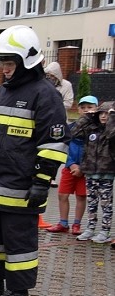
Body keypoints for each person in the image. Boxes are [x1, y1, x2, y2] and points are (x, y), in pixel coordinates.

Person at [0, 25, 69, 296]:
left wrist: (41, 181)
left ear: (26, 61)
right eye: (2, 63)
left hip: (22, 184)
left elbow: (54, 143)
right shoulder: (2, 91)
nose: (4, 69)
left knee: (19, 239)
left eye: (9, 64)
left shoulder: (46, 95)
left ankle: (19, 290)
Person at [45, 95, 98, 235]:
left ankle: (77, 224)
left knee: (81, 196)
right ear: (78, 109)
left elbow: (95, 151)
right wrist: (71, 164)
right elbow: (64, 146)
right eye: (83, 107)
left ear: (96, 109)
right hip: (70, 168)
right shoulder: (71, 127)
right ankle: (63, 223)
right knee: (62, 195)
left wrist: (82, 167)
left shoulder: (98, 129)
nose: (86, 110)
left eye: (90, 107)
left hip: (85, 170)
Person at [75, 101, 114, 243]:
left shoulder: (111, 130)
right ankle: (90, 228)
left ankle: (105, 231)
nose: (103, 116)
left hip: (106, 172)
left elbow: (111, 135)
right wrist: (87, 117)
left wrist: (112, 118)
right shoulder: (91, 129)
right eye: (101, 113)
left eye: (107, 114)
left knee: (106, 204)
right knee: (92, 203)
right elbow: (74, 133)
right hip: (90, 172)